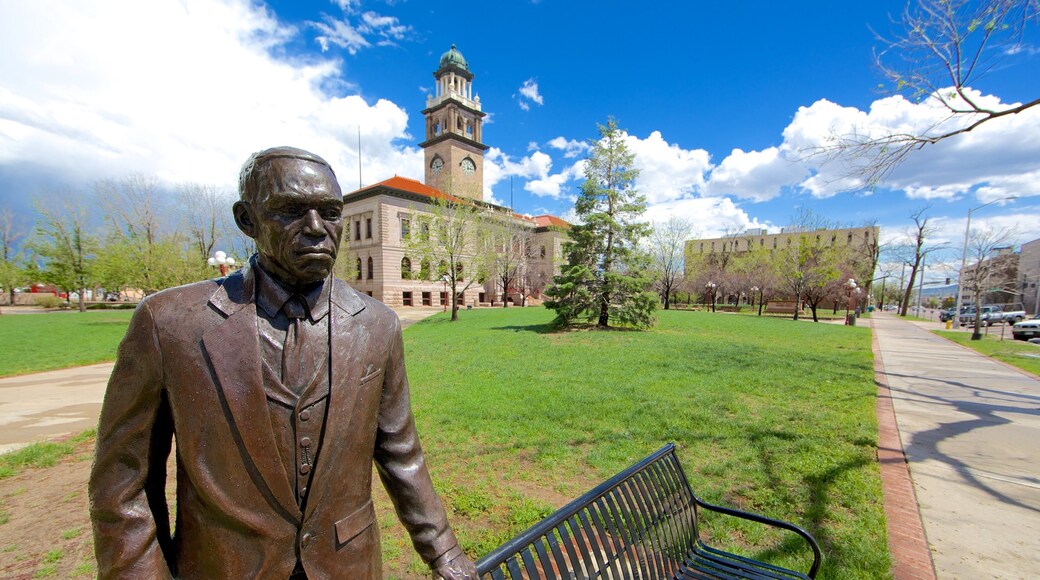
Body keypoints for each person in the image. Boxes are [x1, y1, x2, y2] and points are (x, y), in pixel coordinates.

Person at [89, 146, 476, 579]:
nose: (316, 228)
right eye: (290, 211)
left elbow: (401, 453)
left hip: (348, 565)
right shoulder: (169, 324)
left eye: (330, 212)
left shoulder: (377, 325)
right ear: (247, 219)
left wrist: (444, 553)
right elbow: (123, 485)